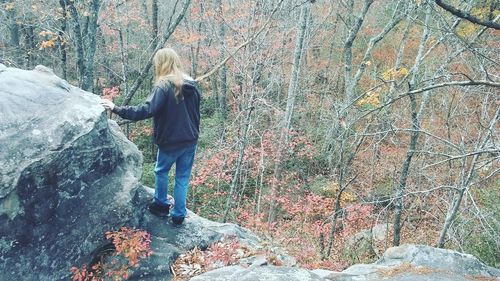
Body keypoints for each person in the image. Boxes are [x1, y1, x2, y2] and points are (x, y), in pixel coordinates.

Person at [100, 48, 201, 226]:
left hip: (171, 141)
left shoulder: (163, 86)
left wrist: (116, 108)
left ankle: (161, 205)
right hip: (190, 140)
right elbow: (195, 115)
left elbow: (146, 110)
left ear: (161, 64)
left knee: (161, 171)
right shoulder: (192, 85)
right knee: (182, 177)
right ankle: (178, 215)